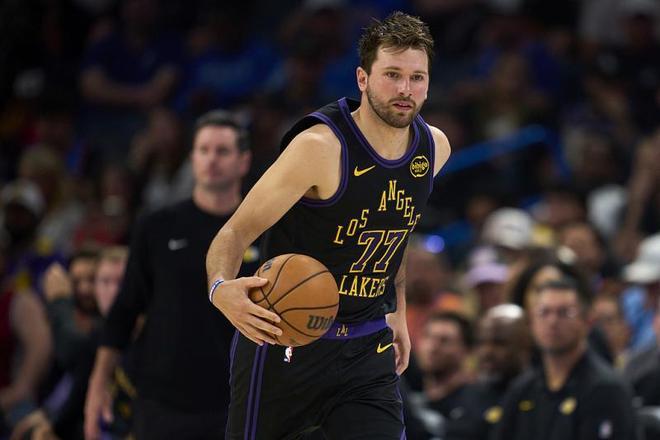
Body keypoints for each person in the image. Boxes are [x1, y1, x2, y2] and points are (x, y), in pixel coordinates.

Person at [206, 12, 451, 439]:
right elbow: (234, 232)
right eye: (392, 75)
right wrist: (220, 287)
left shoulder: (434, 148)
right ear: (362, 79)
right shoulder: (319, 148)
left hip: (366, 347)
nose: (405, 89)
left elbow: (395, 233)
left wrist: (398, 309)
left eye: (417, 78)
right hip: (285, 337)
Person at [84, 109, 258, 440]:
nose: (211, 159)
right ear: (192, 158)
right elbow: (125, 309)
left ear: (243, 161)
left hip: (239, 399)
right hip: (162, 399)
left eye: (222, 151)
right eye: (203, 150)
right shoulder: (157, 226)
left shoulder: (263, 231)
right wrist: (99, 381)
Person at [492, 278, 637, 440]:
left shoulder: (606, 390)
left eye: (564, 313)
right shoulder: (522, 389)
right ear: (531, 323)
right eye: (544, 312)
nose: (552, 322)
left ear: (587, 322)